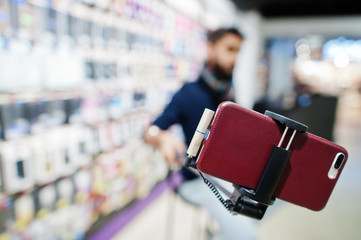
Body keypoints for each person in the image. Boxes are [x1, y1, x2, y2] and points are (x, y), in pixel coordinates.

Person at [144, 27, 258, 240]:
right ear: (210, 49)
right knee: (245, 236)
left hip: (226, 178)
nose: (235, 58)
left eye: (238, 51)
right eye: (230, 49)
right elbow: (151, 132)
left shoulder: (228, 91)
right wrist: (163, 138)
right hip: (197, 181)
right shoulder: (189, 93)